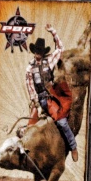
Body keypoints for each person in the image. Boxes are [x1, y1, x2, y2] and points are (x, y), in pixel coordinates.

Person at [24, 25, 78, 161]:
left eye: (40, 52)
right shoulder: (30, 68)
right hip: (41, 98)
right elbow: (30, 87)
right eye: (36, 51)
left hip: (52, 96)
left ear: (42, 53)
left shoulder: (48, 61)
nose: (37, 54)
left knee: (62, 123)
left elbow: (60, 49)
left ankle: (73, 146)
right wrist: (35, 102)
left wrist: (53, 32)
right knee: (29, 127)